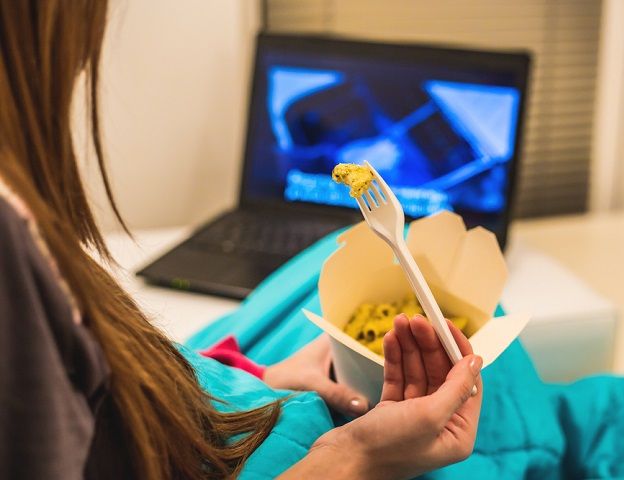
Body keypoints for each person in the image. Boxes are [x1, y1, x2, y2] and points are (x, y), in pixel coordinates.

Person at [0, 1, 482, 478]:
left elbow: (100, 391)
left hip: (220, 395)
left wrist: (255, 376)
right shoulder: (12, 259)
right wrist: (359, 457)